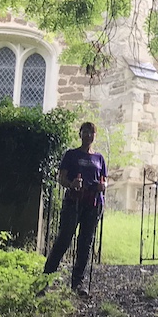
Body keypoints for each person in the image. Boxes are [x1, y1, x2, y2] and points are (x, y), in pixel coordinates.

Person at [42, 121, 107, 297]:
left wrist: (103, 186)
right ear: (80, 134)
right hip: (73, 202)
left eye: (91, 133)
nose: (88, 136)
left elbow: (104, 180)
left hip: (92, 204)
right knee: (64, 239)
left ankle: (78, 284)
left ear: (95, 136)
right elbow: (61, 178)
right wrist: (72, 184)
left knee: (85, 243)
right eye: (85, 132)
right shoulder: (71, 155)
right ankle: (45, 281)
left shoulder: (99, 158)